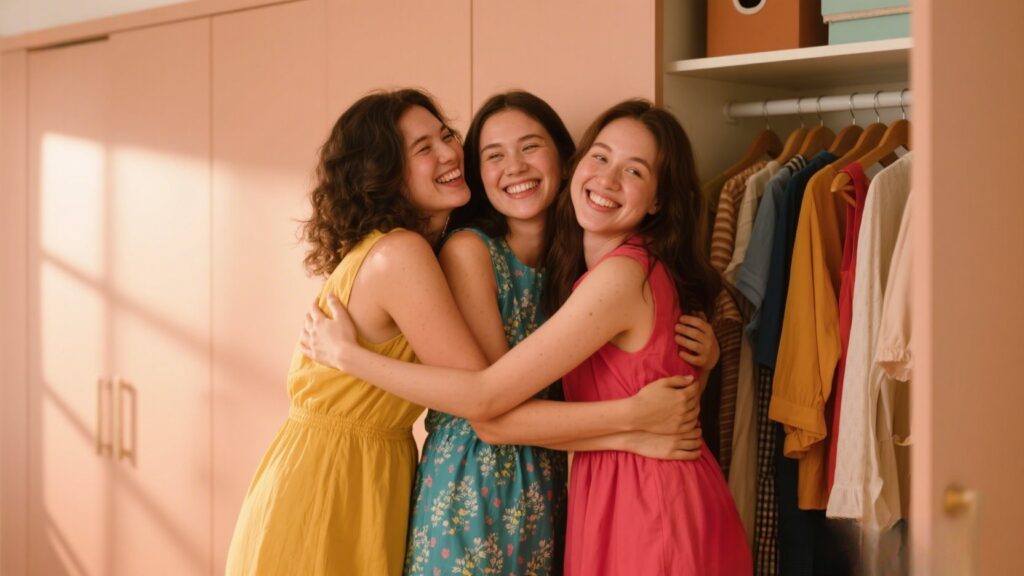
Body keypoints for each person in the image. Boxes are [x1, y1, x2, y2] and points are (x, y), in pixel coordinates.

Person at [226, 89, 708, 576]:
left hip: (430, 476)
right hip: (363, 483)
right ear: (386, 174)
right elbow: (486, 405)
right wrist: (633, 426)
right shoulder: (420, 252)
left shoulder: (578, 263)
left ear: (566, 159)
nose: (448, 154)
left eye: (446, 137)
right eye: (423, 148)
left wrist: (695, 360)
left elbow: (614, 370)